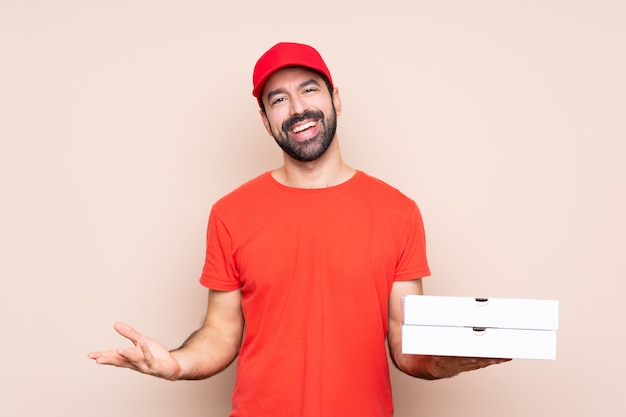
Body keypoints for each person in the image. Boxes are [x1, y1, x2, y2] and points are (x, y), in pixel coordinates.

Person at [88, 42, 509, 416]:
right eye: (278, 99)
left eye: (309, 89)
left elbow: (405, 340)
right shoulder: (230, 213)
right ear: (265, 119)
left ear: (335, 99)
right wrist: (177, 364)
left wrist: (441, 363)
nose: (297, 109)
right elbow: (221, 330)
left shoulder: (398, 211)